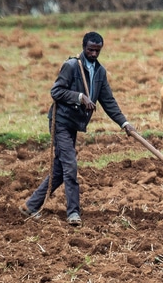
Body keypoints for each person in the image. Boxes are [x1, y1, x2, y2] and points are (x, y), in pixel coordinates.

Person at [22, 31, 135, 226]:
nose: (93, 54)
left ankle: (31, 205)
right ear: (84, 48)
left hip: (74, 124)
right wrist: (80, 97)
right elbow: (56, 91)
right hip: (61, 122)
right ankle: (73, 213)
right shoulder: (72, 66)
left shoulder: (100, 72)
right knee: (70, 166)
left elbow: (108, 101)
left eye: (97, 50)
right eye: (90, 50)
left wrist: (124, 123)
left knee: (60, 169)